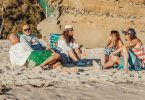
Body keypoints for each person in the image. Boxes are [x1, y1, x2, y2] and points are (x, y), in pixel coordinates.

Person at [9, 34, 78, 73]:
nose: (16, 38)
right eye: (15, 37)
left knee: (53, 61)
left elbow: (13, 63)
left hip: (29, 63)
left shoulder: (11, 50)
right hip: (32, 56)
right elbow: (32, 51)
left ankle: (63, 69)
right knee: (57, 55)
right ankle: (40, 66)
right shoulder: (22, 44)